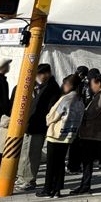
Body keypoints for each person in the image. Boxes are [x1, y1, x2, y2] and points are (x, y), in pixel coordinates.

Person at [14, 63, 60, 191]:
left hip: (38, 125)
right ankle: (22, 176)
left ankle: (29, 180)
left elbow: (50, 108)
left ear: (47, 73)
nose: (39, 77)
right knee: (24, 152)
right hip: (30, 123)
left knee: (33, 154)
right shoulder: (39, 86)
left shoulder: (52, 87)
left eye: (40, 74)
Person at [37, 74, 84, 198]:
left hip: (56, 134)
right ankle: (57, 189)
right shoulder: (79, 99)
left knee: (51, 163)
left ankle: (47, 189)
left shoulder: (66, 98)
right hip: (69, 134)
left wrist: (47, 119)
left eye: (65, 84)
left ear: (70, 85)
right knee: (60, 163)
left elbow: (53, 114)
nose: (63, 86)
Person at [71, 73, 101, 195]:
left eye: (92, 84)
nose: (91, 86)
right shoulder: (100, 94)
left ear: (98, 83)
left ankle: (85, 186)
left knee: (87, 162)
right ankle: (84, 185)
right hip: (90, 132)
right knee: (86, 161)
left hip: (92, 132)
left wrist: (80, 113)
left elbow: (93, 113)